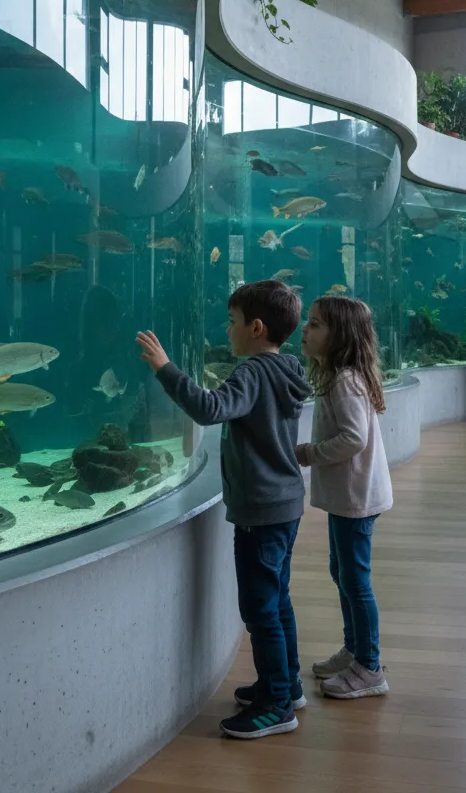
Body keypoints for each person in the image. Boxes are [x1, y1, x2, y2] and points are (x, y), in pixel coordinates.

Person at [135, 280, 312, 740]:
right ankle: (286, 685)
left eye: (232, 322)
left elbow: (210, 409)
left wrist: (165, 368)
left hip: (261, 511)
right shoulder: (288, 368)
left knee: (260, 609)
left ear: (256, 328)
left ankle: (276, 706)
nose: (227, 330)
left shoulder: (252, 373)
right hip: (286, 503)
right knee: (278, 600)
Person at [296, 296, 392, 700]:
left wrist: (308, 453)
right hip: (349, 496)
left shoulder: (345, 381)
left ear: (341, 336)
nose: (305, 329)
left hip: (356, 496)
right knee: (344, 573)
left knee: (355, 580)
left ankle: (369, 666)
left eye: (315, 324)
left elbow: (354, 438)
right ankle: (355, 650)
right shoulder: (337, 376)